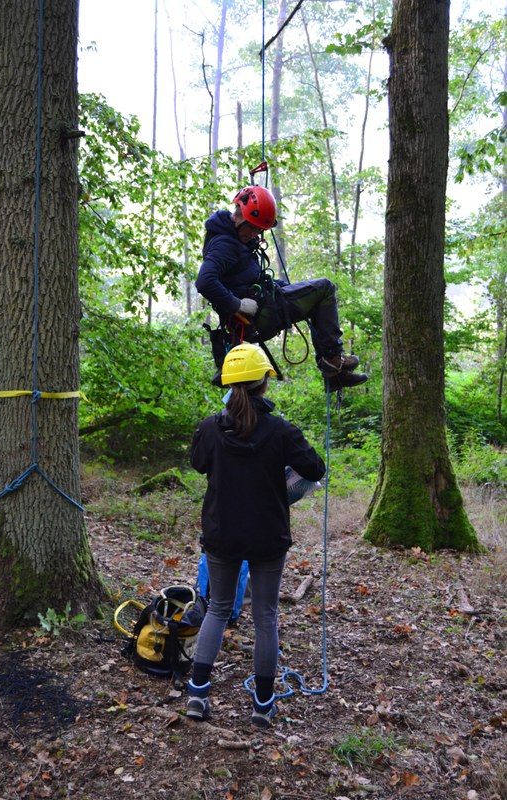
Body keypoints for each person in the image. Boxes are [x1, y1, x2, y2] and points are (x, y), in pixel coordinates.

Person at [186, 342, 326, 728]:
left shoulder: (210, 427)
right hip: (267, 536)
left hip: (221, 534)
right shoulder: (281, 431)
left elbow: (198, 463)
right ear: (266, 381)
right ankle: (263, 705)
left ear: (229, 385)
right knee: (265, 616)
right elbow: (315, 469)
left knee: (217, 607)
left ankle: (197, 694)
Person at [195, 185, 368, 390]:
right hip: (256, 316)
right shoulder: (226, 244)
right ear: (239, 215)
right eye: (251, 227)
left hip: (259, 310)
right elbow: (204, 281)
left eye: (259, 230)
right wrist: (237, 304)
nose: (254, 233)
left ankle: (333, 368)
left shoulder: (235, 241)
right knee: (325, 289)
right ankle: (332, 361)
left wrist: (279, 286)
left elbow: (246, 279)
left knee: (313, 294)